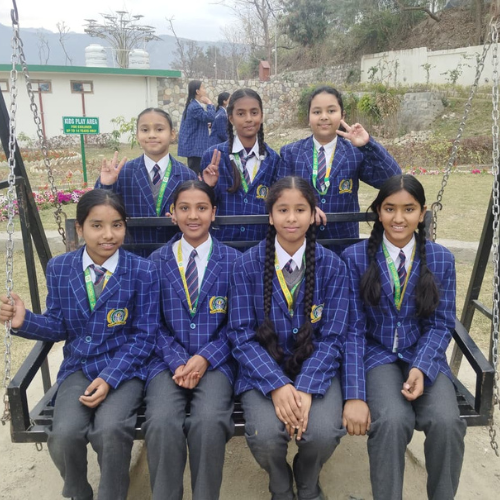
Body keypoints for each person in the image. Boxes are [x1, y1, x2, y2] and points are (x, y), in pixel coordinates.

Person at [0, 189, 160, 500]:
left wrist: (110, 378)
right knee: (63, 435)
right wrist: (24, 320)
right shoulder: (60, 268)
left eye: (117, 225)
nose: (108, 235)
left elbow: (144, 336)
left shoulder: (142, 271)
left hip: (124, 370)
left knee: (110, 431)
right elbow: (58, 324)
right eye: (97, 225)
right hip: (79, 367)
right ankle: (79, 493)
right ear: (80, 228)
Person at [341, 174, 466, 500]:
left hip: (422, 353)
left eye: (408, 209)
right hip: (377, 354)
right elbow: (352, 330)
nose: (399, 218)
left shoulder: (440, 259)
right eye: (390, 209)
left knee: (446, 422)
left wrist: (421, 367)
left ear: (422, 213)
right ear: (378, 212)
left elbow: (441, 323)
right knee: (392, 420)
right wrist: (354, 393)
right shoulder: (355, 258)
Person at [228, 176, 349, 500]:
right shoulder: (246, 265)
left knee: (322, 433)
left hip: (316, 370)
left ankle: (307, 482)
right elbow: (240, 335)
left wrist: (307, 387)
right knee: (266, 437)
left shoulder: (333, 267)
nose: (292, 218)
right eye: (283, 210)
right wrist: (276, 385)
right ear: (270, 216)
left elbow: (333, 337)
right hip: (262, 371)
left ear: (313, 214)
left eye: (300, 209)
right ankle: (280, 485)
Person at [143, 180, 239, 500]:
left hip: (216, 362)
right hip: (166, 362)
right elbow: (151, 323)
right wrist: (177, 360)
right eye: (184, 208)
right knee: (160, 421)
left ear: (214, 212)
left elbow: (239, 325)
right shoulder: (156, 262)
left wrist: (205, 357)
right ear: (172, 214)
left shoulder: (234, 261)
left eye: (201, 208)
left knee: (209, 421)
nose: (193, 215)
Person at [280, 86, 401, 251]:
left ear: (342, 115)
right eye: (316, 112)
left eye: (331, 111)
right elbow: (281, 194)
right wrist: (303, 207)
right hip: (302, 244)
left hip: (344, 246)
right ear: (308, 117)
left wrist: (368, 144)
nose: (324, 117)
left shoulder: (354, 152)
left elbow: (393, 179)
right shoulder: (291, 152)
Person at [95, 107, 198, 257]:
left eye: (159, 129)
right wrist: (106, 184)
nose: (152, 135)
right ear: (137, 135)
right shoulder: (123, 173)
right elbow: (98, 208)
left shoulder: (187, 175)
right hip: (132, 255)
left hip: (174, 257)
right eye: (145, 130)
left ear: (172, 134)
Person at [201, 88, 286, 246]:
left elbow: (278, 202)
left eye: (254, 113)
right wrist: (208, 187)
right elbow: (204, 204)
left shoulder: (273, 159)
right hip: (222, 245)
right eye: (241, 114)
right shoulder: (213, 157)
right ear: (231, 118)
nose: (248, 119)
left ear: (261, 116)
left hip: (260, 246)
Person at [177, 80, 216, 175]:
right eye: (203, 87)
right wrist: (209, 103)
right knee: (194, 173)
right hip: (195, 146)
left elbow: (198, 121)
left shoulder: (193, 104)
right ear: (197, 91)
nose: (205, 90)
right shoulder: (194, 106)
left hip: (195, 146)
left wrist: (205, 125)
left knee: (197, 171)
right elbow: (210, 117)